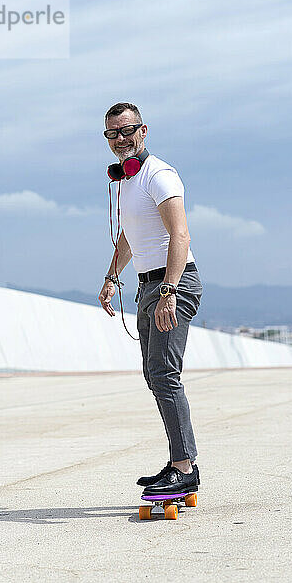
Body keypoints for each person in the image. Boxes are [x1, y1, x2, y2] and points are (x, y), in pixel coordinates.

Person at [98, 102, 203, 495]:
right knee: (154, 376)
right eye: (112, 133)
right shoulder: (126, 181)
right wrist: (112, 277)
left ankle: (184, 467)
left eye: (127, 131)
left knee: (164, 375)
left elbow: (181, 235)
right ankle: (181, 461)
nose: (120, 139)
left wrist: (169, 292)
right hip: (147, 286)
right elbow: (129, 236)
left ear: (143, 131)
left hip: (173, 284)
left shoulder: (159, 175)